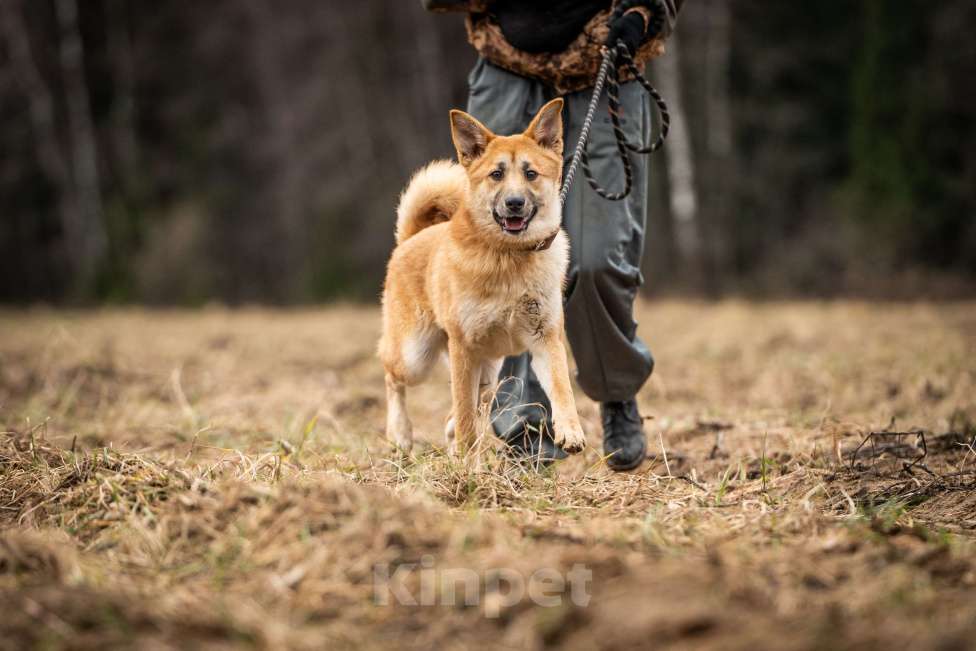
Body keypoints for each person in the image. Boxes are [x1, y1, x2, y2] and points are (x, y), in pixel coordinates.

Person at [422, 0, 683, 471]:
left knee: (600, 258)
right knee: (497, 261)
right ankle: (524, 424)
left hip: (606, 65)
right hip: (507, 63)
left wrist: (643, 11)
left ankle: (616, 389)